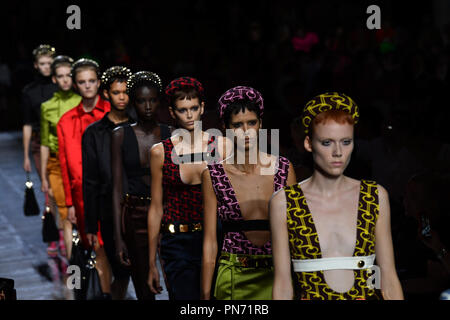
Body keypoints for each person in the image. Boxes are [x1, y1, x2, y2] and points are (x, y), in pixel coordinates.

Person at [270, 92, 404, 300]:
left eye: (346, 141)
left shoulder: (375, 196)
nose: (338, 152)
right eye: (326, 142)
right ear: (308, 143)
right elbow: (283, 284)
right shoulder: (284, 202)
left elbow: (388, 278)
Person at [201, 86, 296, 300]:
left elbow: (295, 234)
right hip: (233, 275)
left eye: (251, 123)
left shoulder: (284, 170)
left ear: (261, 124)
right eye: (237, 125)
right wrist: (205, 294)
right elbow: (209, 242)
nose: (246, 131)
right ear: (224, 128)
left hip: (277, 276)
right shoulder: (213, 175)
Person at [147, 77, 220, 300]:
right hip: (177, 244)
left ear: (202, 108)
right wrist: (151, 262)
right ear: (172, 112)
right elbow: (156, 208)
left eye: (194, 108)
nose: (189, 115)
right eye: (182, 110)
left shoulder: (221, 145)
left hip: (216, 237)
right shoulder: (160, 152)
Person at [111, 71, 171, 300]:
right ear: (133, 102)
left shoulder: (171, 134)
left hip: (167, 212)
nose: (147, 106)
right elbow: (117, 187)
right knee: (143, 285)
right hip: (135, 213)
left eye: (152, 100)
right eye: (141, 100)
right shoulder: (120, 135)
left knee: (172, 276)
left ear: (160, 101)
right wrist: (118, 238)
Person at [57, 58, 112, 298]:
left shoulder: (111, 113)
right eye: (82, 82)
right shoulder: (66, 121)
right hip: (81, 196)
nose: (88, 86)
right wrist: (68, 202)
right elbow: (64, 165)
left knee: (109, 247)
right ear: (75, 85)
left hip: (110, 192)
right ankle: (100, 292)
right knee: (93, 245)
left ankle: (108, 292)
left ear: (99, 82)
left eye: (92, 81)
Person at [82, 66, 134, 300]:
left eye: (125, 92)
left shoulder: (139, 129)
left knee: (137, 270)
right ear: (106, 94)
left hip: (138, 208)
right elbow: (90, 180)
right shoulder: (94, 133)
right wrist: (91, 226)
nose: (122, 97)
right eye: (116, 92)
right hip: (108, 209)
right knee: (120, 269)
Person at [40, 55, 81, 262]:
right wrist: (44, 176)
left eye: (68, 76)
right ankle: (74, 262)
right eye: (60, 76)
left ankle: (88, 260)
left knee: (83, 212)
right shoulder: (46, 107)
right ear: (54, 79)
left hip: (81, 164)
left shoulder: (82, 102)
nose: (65, 80)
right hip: (56, 165)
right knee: (64, 213)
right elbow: (45, 143)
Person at [22, 44, 59, 255]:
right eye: (42, 64)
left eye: (50, 63)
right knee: (48, 189)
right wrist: (26, 154)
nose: (46, 67)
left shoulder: (63, 88)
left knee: (62, 186)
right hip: (39, 144)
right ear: (36, 65)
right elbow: (27, 123)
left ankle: (66, 232)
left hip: (62, 142)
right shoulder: (29, 92)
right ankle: (52, 235)